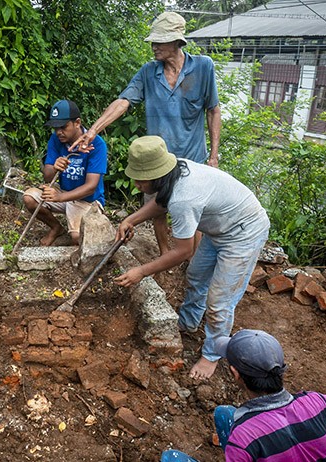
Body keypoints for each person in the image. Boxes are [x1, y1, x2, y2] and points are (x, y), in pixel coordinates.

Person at [113, 136, 269, 380]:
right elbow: (161, 203)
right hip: (220, 229)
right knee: (196, 275)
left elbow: (183, 251)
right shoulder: (175, 171)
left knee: (219, 301)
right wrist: (130, 219)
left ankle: (212, 355)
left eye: (141, 179)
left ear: (157, 175)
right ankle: (187, 322)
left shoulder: (184, 199)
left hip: (243, 232)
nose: (136, 184)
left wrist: (141, 271)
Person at [72, 12, 221, 256]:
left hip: (193, 158)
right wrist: (93, 131)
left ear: (177, 41)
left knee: (194, 212)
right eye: (153, 41)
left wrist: (214, 156)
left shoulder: (203, 67)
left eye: (159, 41)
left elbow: (213, 110)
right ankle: (164, 254)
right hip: (156, 159)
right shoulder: (148, 72)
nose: (154, 47)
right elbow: (123, 102)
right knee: (155, 208)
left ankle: (191, 261)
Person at [161, 327, 326, 461]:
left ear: (235, 374)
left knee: (170, 458)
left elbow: (246, 437)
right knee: (224, 413)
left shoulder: (244, 436)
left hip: (248, 444)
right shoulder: (317, 403)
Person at [22, 100, 107, 245]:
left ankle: (85, 226)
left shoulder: (97, 144)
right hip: (63, 191)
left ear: (77, 123)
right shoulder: (56, 139)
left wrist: (60, 197)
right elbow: (47, 176)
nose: (59, 132)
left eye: (63, 127)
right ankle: (56, 228)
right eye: (55, 128)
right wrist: (54, 168)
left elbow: (91, 187)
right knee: (30, 198)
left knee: (77, 238)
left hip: (87, 200)